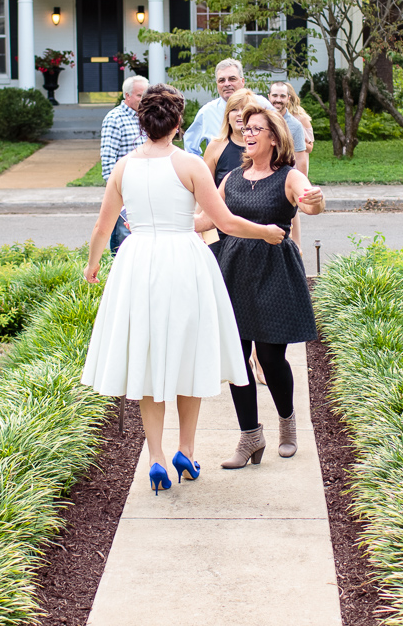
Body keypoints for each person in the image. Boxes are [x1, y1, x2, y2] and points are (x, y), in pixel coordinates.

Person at [80, 84, 287, 496]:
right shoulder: (190, 165)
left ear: (143, 123)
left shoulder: (124, 168)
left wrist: (93, 264)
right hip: (184, 261)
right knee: (187, 356)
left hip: (138, 262)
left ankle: (155, 456)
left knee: (149, 358)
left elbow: (103, 228)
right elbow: (225, 222)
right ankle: (186, 451)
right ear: (177, 124)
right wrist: (265, 231)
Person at [195, 106, 324, 468]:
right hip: (233, 270)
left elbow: (310, 201)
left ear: (273, 137)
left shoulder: (288, 176)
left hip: (274, 272)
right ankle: (250, 436)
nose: (247, 133)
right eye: (245, 127)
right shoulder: (231, 178)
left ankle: (287, 423)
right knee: (238, 359)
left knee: (270, 357)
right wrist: (166, 223)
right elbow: (208, 218)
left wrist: (315, 201)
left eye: (256, 129)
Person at [183, 58, 307, 159]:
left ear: (242, 81)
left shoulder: (262, 105)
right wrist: (205, 169)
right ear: (217, 85)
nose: (227, 84)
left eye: (232, 79)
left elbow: (283, 132)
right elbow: (190, 148)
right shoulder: (207, 112)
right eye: (222, 80)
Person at [99, 75, 149, 253]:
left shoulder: (147, 118)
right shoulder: (114, 119)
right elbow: (108, 163)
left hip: (147, 189)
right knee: (122, 240)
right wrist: (119, 194)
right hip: (124, 193)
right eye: (139, 96)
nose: (144, 100)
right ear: (127, 95)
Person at [269, 82, 312, 176]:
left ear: (288, 99)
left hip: (286, 178)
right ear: (269, 97)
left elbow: (300, 158)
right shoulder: (261, 121)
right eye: (275, 95)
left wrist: (302, 185)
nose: (278, 100)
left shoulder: (296, 125)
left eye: (282, 96)